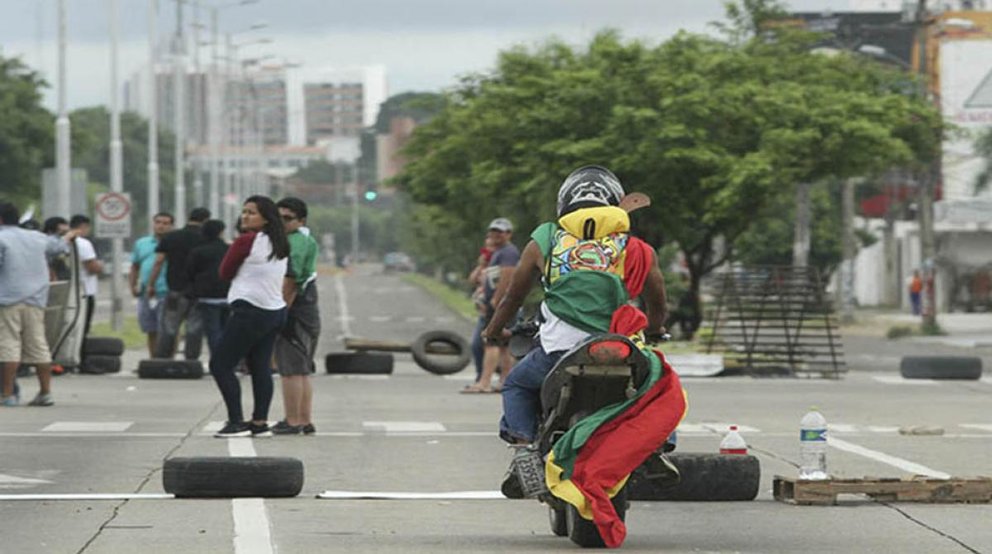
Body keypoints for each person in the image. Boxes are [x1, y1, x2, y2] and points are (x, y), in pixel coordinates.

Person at [481, 166, 673, 444]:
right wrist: (654, 329)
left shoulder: (545, 239)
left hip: (558, 351)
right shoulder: (635, 248)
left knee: (517, 384)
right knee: (657, 387)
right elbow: (657, 301)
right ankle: (659, 446)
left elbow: (513, 297)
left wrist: (493, 330)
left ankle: (523, 445)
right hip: (621, 349)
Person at [211, 196, 290, 438]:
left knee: (220, 364)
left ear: (266, 217)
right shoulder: (280, 243)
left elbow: (224, 272)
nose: (245, 216)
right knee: (260, 367)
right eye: (244, 212)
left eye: (251, 212)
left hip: (250, 310)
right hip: (275, 311)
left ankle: (236, 421)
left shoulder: (246, 241)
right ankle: (259, 422)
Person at [0, 203, 77, 406]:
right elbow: (60, 245)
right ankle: (45, 392)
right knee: (39, 346)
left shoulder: (1, 238)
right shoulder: (37, 237)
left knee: (8, 346)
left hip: (7, 300)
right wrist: (68, 234)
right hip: (36, 300)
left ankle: (7, 395)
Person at [271, 197, 321, 435]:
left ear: (301, 221)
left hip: (295, 310)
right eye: (277, 218)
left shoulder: (296, 242)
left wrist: (280, 311)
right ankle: (303, 419)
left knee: (290, 369)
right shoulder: (301, 239)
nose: (281, 223)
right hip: (305, 311)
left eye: (287, 218)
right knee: (301, 369)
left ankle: (292, 420)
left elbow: (291, 279)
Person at [461, 218, 519, 393]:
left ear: (508, 234)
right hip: (497, 303)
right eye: (493, 231)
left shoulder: (508, 252)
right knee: (503, 344)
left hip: (499, 304)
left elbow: (508, 276)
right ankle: (504, 380)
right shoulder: (497, 253)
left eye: (500, 232)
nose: (496, 235)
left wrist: (497, 299)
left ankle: (484, 382)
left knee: (491, 342)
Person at [147, 207, 210, 359]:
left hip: (175, 288)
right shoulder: (206, 238)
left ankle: (163, 357)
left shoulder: (171, 237)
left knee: (169, 326)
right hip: (198, 291)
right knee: (194, 328)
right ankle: (191, 359)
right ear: (206, 220)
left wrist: (151, 284)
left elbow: (159, 262)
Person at [130, 212, 175, 357]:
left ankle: (169, 359)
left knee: (169, 329)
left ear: (171, 226)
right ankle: (154, 358)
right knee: (151, 328)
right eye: (158, 222)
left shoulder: (174, 243)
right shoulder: (142, 243)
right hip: (146, 293)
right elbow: (135, 266)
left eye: (165, 223)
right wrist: (133, 285)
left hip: (167, 290)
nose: (161, 226)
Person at [186, 220, 231, 356]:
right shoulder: (229, 250)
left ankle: (217, 358)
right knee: (227, 330)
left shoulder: (198, 251)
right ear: (221, 232)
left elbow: (190, 272)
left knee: (213, 331)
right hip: (228, 294)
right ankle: (227, 359)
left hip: (207, 296)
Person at [69, 215, 103, 337]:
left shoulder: (63, 241)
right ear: (84, 226)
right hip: (85, 292)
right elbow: (92, 267)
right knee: (83, 329)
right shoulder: (83, 243)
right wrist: (100, 265)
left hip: (68, 291)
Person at [468, 237, 496, 384]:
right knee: (476, 345)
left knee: (491, 346)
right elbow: (472, 280)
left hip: (492, 311)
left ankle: (487, 379)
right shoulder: (484, 266)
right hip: (482, 312)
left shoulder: (501, 263)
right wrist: (481, 266)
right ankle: (481, 375)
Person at [42, 217, 71, 281]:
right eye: (63, 224)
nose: (66, 227)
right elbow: (57, 248)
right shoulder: (49, 239)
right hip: (51, 273)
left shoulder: (60, 239)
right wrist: (67, 237)